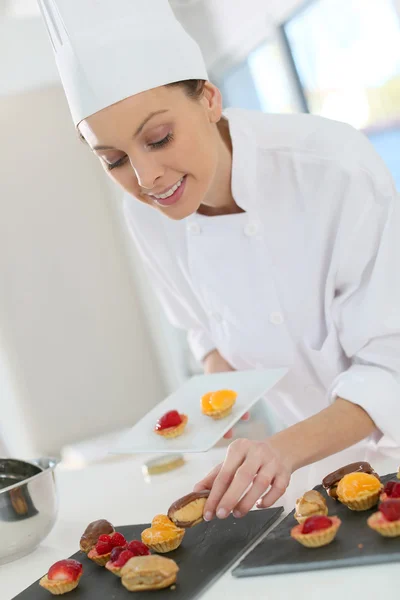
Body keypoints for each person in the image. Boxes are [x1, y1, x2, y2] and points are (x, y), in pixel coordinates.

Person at [39, 0, 400, 523]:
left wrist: (280, 450)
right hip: (324, 475)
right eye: (113, 160)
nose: (146, 178)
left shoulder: (332, 168)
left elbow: (391, 364)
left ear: (209, 98)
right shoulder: (145, 215)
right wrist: (213, 406)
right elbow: (206, 332)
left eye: (159, 138)